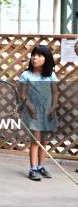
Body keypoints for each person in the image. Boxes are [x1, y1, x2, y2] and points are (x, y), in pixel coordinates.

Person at [19, 45, 59, 181]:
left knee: (44, 140)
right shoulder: (26, 75)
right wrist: (29, 107)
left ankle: (41, 166)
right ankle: (33, 168)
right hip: (33, 113)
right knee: (35, 140)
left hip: (47, 112)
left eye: (39, 55)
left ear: (47, 59)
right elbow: (23, 95)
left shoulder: (51, 75)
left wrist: (53, 107)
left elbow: (55, 92)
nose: (35, 57)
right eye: (33, 55)